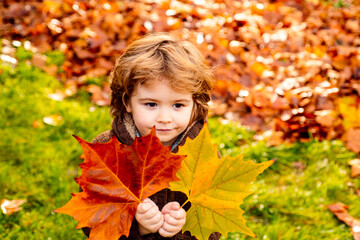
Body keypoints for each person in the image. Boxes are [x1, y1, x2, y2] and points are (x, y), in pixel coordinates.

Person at [82, 32, 221, 240]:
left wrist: (180, 230)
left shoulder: (204, 158)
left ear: (195, 105)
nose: (164, 118)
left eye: (178, 105)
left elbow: (215, 225)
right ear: (127, 102)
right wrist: (139, 228)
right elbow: (91, 222)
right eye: (151, 104)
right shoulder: (106, 151)